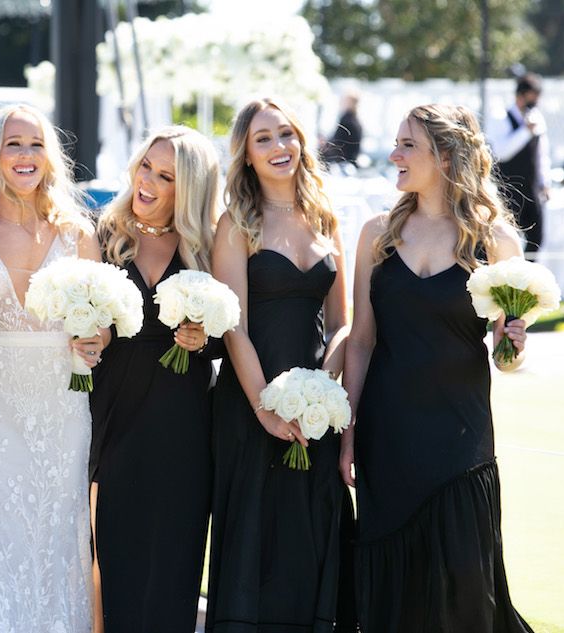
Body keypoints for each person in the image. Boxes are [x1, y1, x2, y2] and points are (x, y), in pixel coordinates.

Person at [340, 104, 534, 632]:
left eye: (408, 145)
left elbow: (506, 357)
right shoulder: (376, 234)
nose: (394, 154)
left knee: (465, 583)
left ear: (444, 157)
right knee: (393, 588)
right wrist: (349, 430)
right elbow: (361, 341)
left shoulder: (495, 242)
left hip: (460, 439)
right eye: (398, 142)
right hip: (389, 434)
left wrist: (513, 342)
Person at [0, 104, 102, 633]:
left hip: (63, 396)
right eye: (13, 144)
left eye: (34, 144)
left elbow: (101, 318)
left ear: (48, 156)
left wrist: (97, 337)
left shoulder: (78, 233)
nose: (25, 155)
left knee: (59, 526)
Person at [206, 97, 353, 633]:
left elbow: (342, 322)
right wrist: (268, 408)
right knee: (254, 540)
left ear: (301, 142)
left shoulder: (325, 217)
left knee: (309, 536)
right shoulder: (235, 224)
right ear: (245, 153)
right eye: (263, 138)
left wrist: (322, 389)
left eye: (286, 134)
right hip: (250, 406)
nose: (278, 147)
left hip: (316, 412)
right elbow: (233, 325)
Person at [88, 126, 220, 633]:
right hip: (111, 417)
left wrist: (201, 338)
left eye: (165, 176)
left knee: (173, 565)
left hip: (183, 424)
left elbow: (231, 330)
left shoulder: (208, 247)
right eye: (146, 165)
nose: (147, 181)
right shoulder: (103, 235)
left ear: (186, 190)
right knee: (105, 562)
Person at [488, 72, 551, 255]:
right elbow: (501, 152)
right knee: (506, 236)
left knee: (536, 237)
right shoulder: (500, 116)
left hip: (531, 189)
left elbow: (541, 154)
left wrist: (544, 183)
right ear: (519, 95)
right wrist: (525, 132)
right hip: (508, 188)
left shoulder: (537, 118)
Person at [321, 91, 362, 171]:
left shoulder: (347, 120)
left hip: (342, 161)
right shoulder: (355, 120)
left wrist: (325, 144)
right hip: (350, 159)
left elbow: (338, 141)